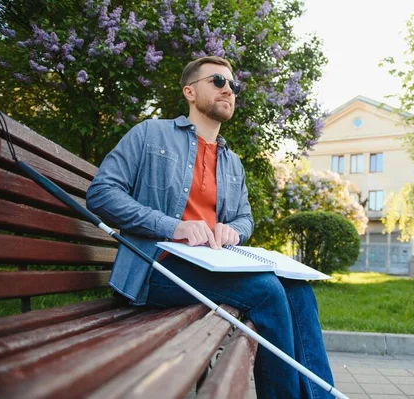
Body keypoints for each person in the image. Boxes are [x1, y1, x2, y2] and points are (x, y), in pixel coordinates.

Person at [86, 56, 334, 399]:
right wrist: (173, 226)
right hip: (156, 266)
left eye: (233, 85)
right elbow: (101, 194)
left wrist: (233, 231)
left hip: (212, 264)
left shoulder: (232, 162)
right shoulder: (149, 133)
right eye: (217, 81)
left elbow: (244, 218)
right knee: (266, 291)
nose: (228, 89)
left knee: (298, 291)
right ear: (190, 91)